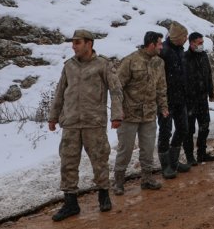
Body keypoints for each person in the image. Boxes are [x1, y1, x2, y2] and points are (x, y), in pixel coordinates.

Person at [48, 29, 123, 221]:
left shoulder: (103, 64)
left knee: (99, 160)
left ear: (89, 44)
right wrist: (53, 117)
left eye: (77, 42)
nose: (73, 46)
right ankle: (71, 203)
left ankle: (104, 195)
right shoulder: (69, 66)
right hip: (71, 123)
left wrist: (116, 115)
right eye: (73, 42)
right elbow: (60, 92)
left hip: (94, 122)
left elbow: (116, 90)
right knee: (68, 162)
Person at [113, 31, 170, 195]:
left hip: (149, 114)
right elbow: (117, 88)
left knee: (148, 149)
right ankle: (118, 182)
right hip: (129, 114)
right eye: (159, 44)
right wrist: (118, 111)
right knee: (125, 150)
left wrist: (163, 106)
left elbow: (161, 87)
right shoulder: (130, 61)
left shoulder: (159, 62)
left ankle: (147, 179)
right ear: (151, 44)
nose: (161, 47)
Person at [157, 22, 191, 178]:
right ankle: (165, 166)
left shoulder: (180, 50)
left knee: (183, 128)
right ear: (177, 37)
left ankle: (174, 161)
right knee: (165, 131)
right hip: (166, 99)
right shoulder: (163, 51)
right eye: (184, 36)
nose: (186, 39)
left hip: (180, 98)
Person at [183, 32, 214, 164]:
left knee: (205, 126)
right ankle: (189, 156)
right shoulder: (184, 58)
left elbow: (208, 74)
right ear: (192, 43)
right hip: (189, 100)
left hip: (202, 98)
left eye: (202, 42)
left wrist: (211, 91)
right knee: (189, 130)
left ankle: (202, 153)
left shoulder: (203, 56)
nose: (202, 45)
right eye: (199, 43)